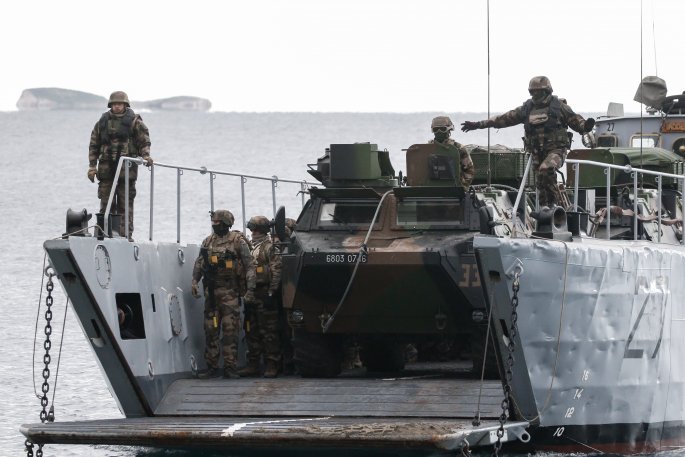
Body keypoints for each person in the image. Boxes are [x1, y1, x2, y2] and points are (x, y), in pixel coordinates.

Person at [461, 76, 595, 207]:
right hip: (536, 151)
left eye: (539, 92)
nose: (536, 95)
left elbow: (576, 121)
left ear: (547, 91)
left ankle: (555, 205)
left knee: (546, 169)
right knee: (540, 181)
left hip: (557, 150)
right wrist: (478, 124)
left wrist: (585, 126)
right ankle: (545, 209)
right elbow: (503, 119)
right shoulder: (527, 109)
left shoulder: (559, 107)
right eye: (533, 92)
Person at [191, 210, 256, 379]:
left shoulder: (238, 241)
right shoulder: (208, 241)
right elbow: (199, 263)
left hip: (230, 293)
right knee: (210, 330)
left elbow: (250, 266)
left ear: (226, 224)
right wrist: (194, 281)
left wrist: (250, 290)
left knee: (230, 331)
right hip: (212, 293)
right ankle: (211, 366)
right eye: (213, 222)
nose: (214, 225)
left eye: (217, 223)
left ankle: (230, 367)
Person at [87, 91, 153, 239]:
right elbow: (94, 145)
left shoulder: (135, 122)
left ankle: (125, 237)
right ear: (110, 105)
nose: (117, 106)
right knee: (106, 205)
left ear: (125, 105)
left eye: (120, 104)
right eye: (114, 104)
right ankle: (104, 235)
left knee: (125, 206)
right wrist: (92, 166)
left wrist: (146, 156)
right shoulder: (102, 123)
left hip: (126, 172)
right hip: (106, 171)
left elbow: (144, 141)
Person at [238, 216, 283, 378]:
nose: (253, 232)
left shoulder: (269, 248)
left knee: (269, 331)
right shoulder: (250, 247)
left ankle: (272, 364)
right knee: (251, 330)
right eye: (251, 229)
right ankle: (253, 363)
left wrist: (272, 292)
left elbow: (277, 271)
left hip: (265, 293)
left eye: (255, 229)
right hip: (251, 294)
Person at [429, 116, 475, 188]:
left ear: (449, 130)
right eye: (436, 129)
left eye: (442, 129)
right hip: (431, 187)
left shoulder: (459, 148)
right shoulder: (427, 148)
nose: (439, 132)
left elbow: (469, 170)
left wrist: (462, 186)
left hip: (454, 188)